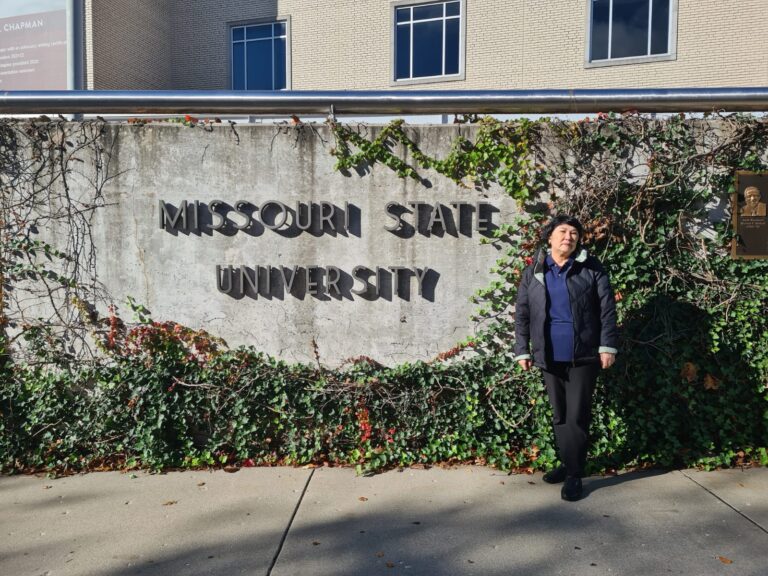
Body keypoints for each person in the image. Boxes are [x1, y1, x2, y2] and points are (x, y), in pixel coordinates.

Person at [513, 215, 618, 501]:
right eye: (562, 231)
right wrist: (522, 349)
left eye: (574, 233)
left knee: (576, 415)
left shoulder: (591, 268)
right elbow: (522, 314)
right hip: (548, 355)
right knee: (560, 414)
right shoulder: (534, 271)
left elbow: (607, 309)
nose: (568, 237)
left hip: (583, 354)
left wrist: (607, 346)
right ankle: (568, 463)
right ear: (550, 237)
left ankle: (574, 475)